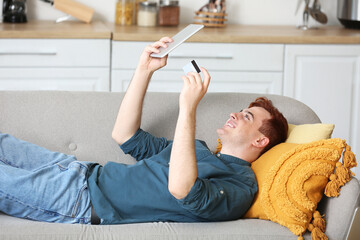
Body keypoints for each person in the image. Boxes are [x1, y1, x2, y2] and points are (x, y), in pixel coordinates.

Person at [0, 37, 288, 225]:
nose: (234, 114)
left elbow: (183, 191)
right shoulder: (196, 148)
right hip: (76, 170)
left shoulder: (240, 185)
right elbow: (124, 136)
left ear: (260, 139)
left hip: (80, 199)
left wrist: (188, 108)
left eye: (246, 116)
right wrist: (144, 70)